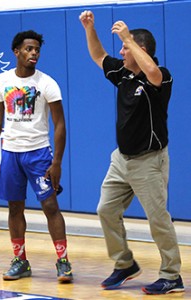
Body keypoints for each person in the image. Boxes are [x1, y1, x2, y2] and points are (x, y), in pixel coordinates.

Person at [79, 10, 184, 295]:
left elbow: (152, 73)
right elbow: (99, 56)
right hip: (121, 160)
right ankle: (124, 264)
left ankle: (172, 275)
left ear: (141, 49)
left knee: (158, 219)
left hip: (149, 161)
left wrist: (128, 36)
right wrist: (90, 27)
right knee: (106, 210)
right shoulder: (123, 74)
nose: (121, 51)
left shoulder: (160, 77)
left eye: (125, 47)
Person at [0, 30, 73, 283]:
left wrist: (56, 162)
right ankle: (20, 261)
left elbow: (60, 125)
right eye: (29, 49)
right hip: (11, 154)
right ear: (17, 52)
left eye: (37, 50)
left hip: (38, 154)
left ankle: (63, 262)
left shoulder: (47, 83)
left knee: (50, 206)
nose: (34, 53)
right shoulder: (2, 81)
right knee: (14, 208)